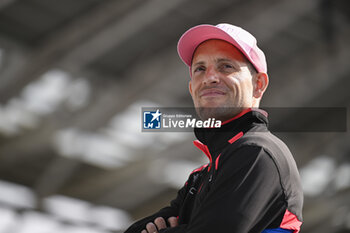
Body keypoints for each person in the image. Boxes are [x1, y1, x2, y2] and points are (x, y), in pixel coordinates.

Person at [124, 23, 303, 233]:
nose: (210, 77)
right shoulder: (202, 175)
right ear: (192, 89)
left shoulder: (257, 153)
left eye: (226, 66)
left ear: (259, 84)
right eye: (200, 69)